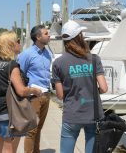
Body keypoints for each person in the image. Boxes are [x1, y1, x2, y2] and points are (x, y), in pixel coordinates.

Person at [51, 20, 108, 153]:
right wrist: (91, 92)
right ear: (80, 36)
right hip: (93, 114)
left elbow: (60, 95)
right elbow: (104, 88)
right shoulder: (94, 59)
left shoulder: (58, 63)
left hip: (72, 114)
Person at [0, 31, 42, 153]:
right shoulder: (12, 65)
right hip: (9, 111)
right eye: (17, 41)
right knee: (8, 148)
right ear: (10, 44)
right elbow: (21, 91)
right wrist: (35, 90)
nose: (20, 43)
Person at [17, 25, 52, 153]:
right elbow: (20, 75)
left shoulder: (48, 53)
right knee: (31, 131)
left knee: (39, 129)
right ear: (38, 37)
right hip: (33, 97)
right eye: (46, 33)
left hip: (46, 95)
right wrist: (26, 92)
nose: (49, 35)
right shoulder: (27, 54)